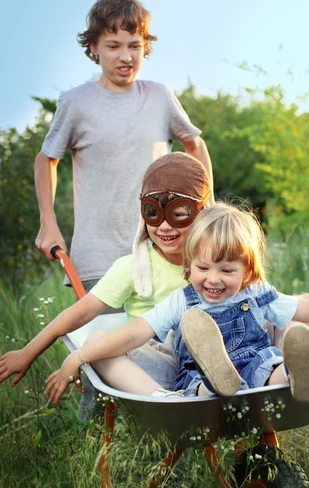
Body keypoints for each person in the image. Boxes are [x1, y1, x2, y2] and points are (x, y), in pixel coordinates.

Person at [43, 203, 309, 404]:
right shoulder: (180, 302)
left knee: (271, 369)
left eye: (227, 270)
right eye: (202, 268)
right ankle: (218, 382)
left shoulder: (258, 292)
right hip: (203, 375)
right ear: (189, 265)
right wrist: (80, 354)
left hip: (256, 365)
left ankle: (298, 374)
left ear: (247, 271)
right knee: (200, 384)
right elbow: (134, 334)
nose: (213, 279)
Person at [34, 0, 213, 290]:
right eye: (113, 46)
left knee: (170, 333)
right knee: (109, 336)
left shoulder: (159, 97)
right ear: (94, 47)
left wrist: (208, 205)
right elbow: (46, 160)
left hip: (162, 249)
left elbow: (195, 146)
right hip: (98, 256)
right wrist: (48, 222)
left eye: (135, 46)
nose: (126, 56)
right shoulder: (76, 102)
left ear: (146, 47)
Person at [0, 153, 210, 404]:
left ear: (202, 213)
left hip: (208, 360)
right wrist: (28, 352)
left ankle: (234, 383)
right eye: (152, 213)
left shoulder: (216, 264)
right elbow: (80, 313)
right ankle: (165, 401)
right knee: (95, 343)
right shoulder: (132, 267)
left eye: (178, 213)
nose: (164, 226)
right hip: (155, 368)